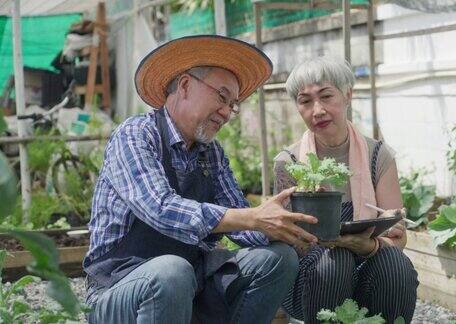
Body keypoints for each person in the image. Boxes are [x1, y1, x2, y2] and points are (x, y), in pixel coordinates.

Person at [83, 35, 318, 324]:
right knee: (171, 273)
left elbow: (246, 228)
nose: (227, 113)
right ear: (184, 86)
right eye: (222, 97)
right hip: (119, 288)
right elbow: (161, 208)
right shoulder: (135, 135)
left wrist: (288, 227)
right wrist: (250, 217)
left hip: (189, 284)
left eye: (232, 105)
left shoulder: (211, 153)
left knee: (278, 259)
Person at [274, 57, 419, 323]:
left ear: (348, 95)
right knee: (336, 260)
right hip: (311, 277)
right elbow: (283, 243)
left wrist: (369, 246)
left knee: (394, 262)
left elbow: (398, 239)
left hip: (368, 267)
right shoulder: (289, 163)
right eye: (305, 101)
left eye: (326, 96)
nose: (317, 110)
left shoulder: (379, 155)